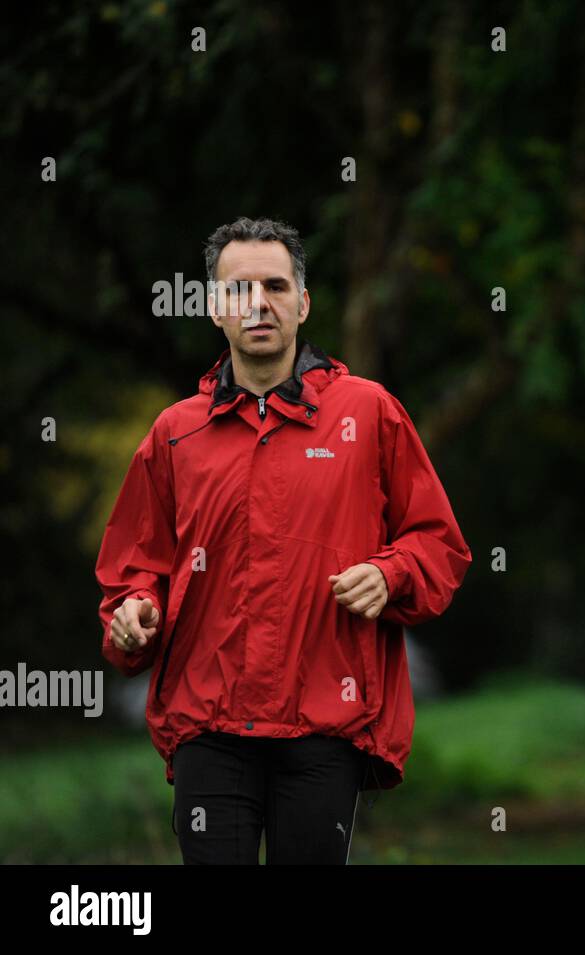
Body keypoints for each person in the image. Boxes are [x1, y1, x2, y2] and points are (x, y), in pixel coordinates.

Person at [96, 216, 472, 864]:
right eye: (239, 290)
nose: (259, 303)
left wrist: (391, 573)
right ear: (215, 309)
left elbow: (438, 542)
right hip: (207, 729)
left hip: (326, 726)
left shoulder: (370, 411)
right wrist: (132, 614)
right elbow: (135, 569)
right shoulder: (174, 434)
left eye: (275, 285)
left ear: (304, 300)